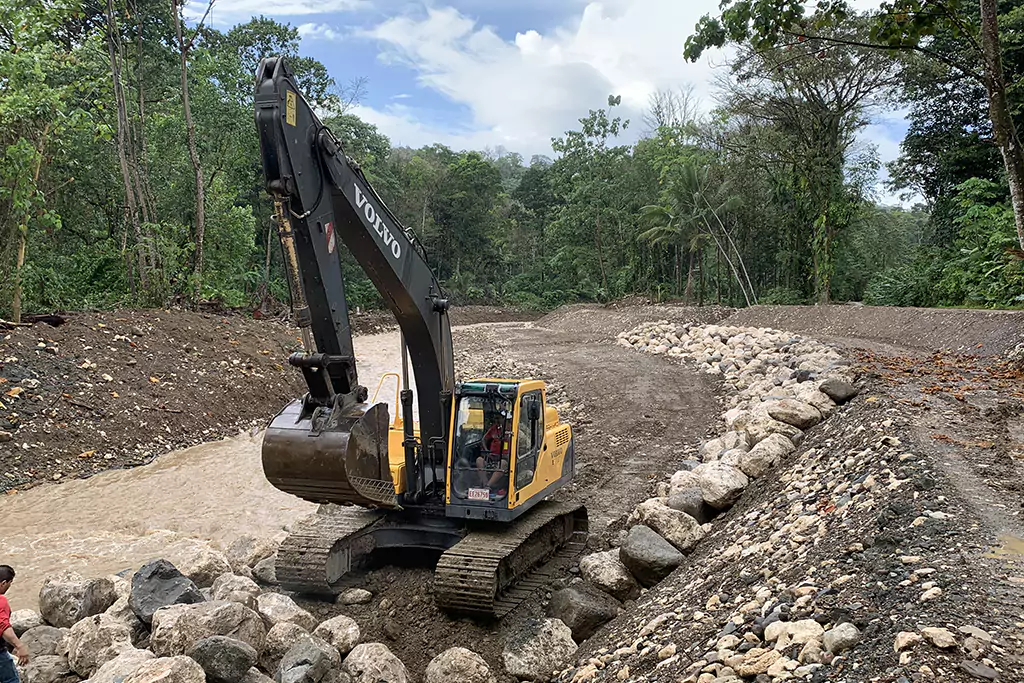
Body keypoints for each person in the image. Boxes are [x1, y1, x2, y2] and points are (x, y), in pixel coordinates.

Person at [0, 565, 29, 683]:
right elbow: (3, 626)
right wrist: (20, 646)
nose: (9, 587)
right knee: (11, 680)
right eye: (9, 583)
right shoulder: (1, 602)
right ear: (3, 583)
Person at [476, 413, 510, 492]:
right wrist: (486, 450)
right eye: (495, 419)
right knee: (479, 460)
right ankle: (484, 484)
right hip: (491, 456)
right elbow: (483, 439)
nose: (497, 421)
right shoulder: (494, 428)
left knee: (503, 464)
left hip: (505, 458)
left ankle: (488, 486)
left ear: (504, 418)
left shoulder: (510, 430)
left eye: (498, 418)